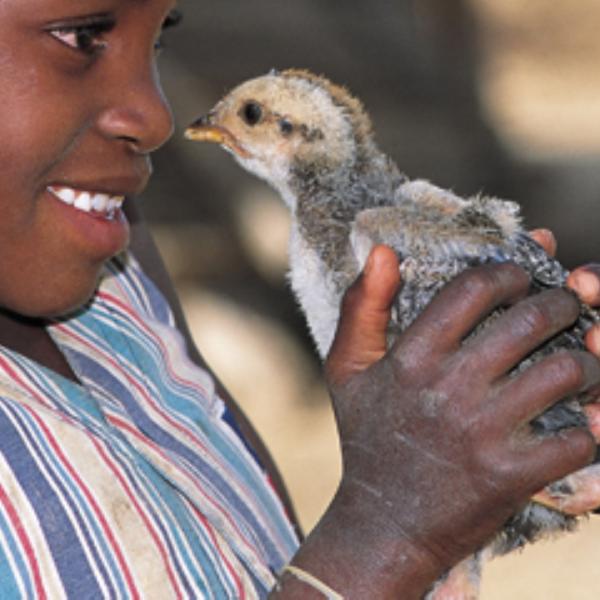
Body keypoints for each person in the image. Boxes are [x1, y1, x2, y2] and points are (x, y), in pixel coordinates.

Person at [0, 1, 599, 598]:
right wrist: (392, 531)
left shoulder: (119, 276)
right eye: (81, 36)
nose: (158, 118)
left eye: (158, 42)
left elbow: (270, 550)